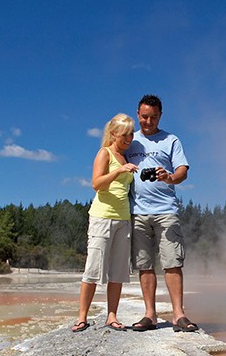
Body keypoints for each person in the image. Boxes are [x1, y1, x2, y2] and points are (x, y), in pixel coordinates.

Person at [125, 93, 198, 332]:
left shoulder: (171, 140)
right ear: (137, 114)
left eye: (153, 118)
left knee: (172, 262)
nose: (148, 122)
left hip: (166, 210)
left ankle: (178, 314)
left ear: (160, 116)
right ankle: (150, 315)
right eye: (144, 117)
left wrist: (169, 177)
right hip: (137, 211)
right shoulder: (129, 141)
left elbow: (182, 171)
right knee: (145, 264)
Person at [71, 113, 138, 332]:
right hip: (102, 217)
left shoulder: (127, 157)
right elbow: (96, 184)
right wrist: (119, 171)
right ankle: (82, 317)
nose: (129, 139)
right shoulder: (105, 154)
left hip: (123, 219)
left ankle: (112, 315)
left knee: (118, 270)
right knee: (92, 268)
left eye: (130, 134)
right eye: (124, 135)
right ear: (113, 134)